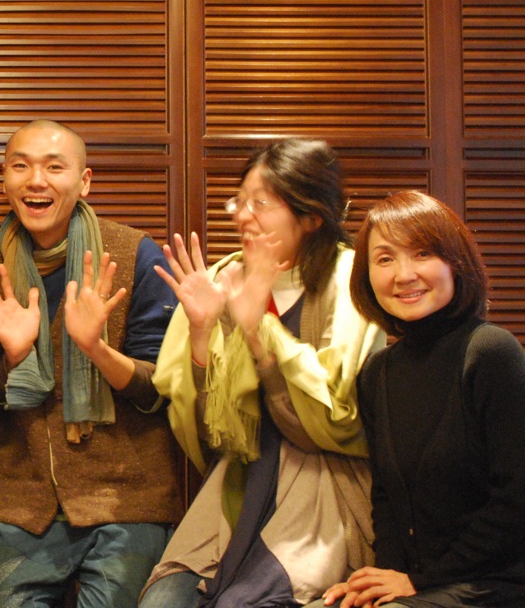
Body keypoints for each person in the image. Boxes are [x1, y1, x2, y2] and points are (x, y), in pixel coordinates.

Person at [142, 138, 386, 608]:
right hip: (239, 483)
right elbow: (211, 439)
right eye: (240, 201)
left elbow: (327, 425)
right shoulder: (224, 278)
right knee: (162, 600)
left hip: (324, 487)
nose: (243, 216)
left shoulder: (351, 279)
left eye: (261, 203)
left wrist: (259, 332)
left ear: (310, 216)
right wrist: (200, 334)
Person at [0, 119, 183, 608]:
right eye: (21, 166)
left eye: (54, 168)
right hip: (24, 504)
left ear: (84, 182)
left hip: (127, 500)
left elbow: (160, 390)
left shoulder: (135, 256)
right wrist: (13, 358)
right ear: (5, 179)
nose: (36, 180)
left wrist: (96, 349)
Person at [313, 190, 525, 608]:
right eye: (385, 259)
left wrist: (418, 581)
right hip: (424, 586)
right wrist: (379, 582)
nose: (404, 274)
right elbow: (386, 499)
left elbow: (517, 499)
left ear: (455, 262)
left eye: (423, 253)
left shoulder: (491, 352)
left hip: (495, 583)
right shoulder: (378, 372)